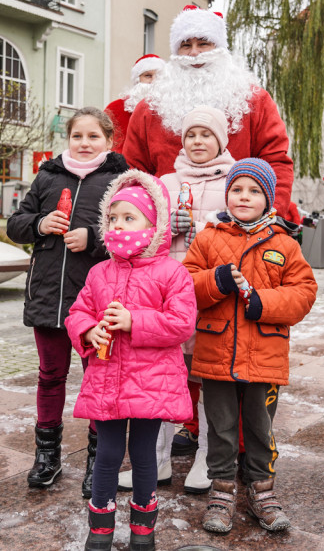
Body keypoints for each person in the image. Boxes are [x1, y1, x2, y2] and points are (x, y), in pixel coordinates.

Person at [183, 158, 317, 535]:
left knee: (260, 427)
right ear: (227, 194)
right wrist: (217, 280)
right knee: (221, 426)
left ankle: (262, 489)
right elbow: (186, 282)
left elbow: (304, 292)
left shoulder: (284, 243)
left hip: (264, 354)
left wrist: (265, 304)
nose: (244, 197)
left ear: (268, 198)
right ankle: (222, 488)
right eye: (237, 189)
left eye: (254, 191)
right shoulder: (208, 237)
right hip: (216, 352)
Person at [65, 170, 196, 551]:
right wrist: (88, 331)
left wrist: (134, 320)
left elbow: (181, 323)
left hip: (150, 384)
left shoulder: (172, 272)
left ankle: (143, 529)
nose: (119, 225)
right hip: (107, 382)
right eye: (113, 218)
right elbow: (79, 311)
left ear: (153, 225)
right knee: (105, 454)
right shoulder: (99, 272)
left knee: (143, 455)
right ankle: (100, 529)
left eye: (129, 217)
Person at [5, 107, 129, 497]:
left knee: (98, 380)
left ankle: (99, 461)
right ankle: (47, 456)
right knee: (49, 376)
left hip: (95, 302)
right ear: (68, 138)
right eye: (78, 136)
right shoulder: (47, 175)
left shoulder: (120, 181)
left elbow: (133, 236)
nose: (85, 143)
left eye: (94, 137)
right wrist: (40, 224)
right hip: (47, 296)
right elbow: (16, 223)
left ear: (109, 142)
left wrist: (93, 240)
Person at [137, 105, 236, 496]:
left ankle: (208, 461)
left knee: (211, 379)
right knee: (164, 376)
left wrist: (196, 225)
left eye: (206, 135)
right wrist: (165, 228)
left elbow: (239, 229)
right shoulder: (165, 181)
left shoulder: (235, 179)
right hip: (167, 295)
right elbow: (143, 232)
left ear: (220, 141)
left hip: (212, 295)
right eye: (191, 134)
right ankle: (156, 460)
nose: (198, 141)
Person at [122, 5, 297, 220]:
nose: (194, 52)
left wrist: (269, 215)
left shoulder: (255, 101)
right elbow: (134, 172)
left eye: (203, 43)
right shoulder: (149, 108)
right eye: (186, 45)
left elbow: (275, 162)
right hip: (167, 232)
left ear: (220, 48)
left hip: (238, 230)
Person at [104, 54, 164, 154]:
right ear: (137, 80)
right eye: (148, 76)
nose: (154, 81)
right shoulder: (114, 108)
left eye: (159, 76)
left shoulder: (171, 111)